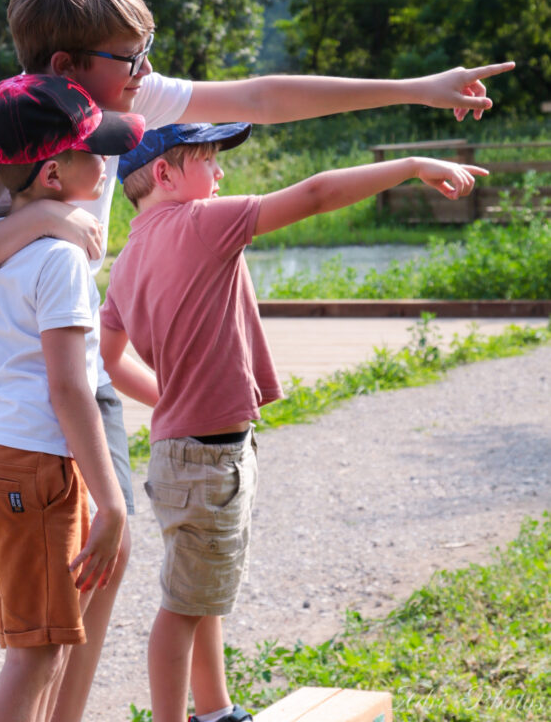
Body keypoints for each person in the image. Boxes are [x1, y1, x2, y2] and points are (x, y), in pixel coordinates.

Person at [0, 0, 514, 719]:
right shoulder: (4, 141)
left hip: (76, 367)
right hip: (9, 395)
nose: (148, 69)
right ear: (70, 65)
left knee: (107, 561)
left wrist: (418, 86)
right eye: (132, 55)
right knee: (51, 612)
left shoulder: (122, 100)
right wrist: (33, 219)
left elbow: (263, 95)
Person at [98, 121, 490, 722]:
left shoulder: (128, 259)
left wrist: (171, 399)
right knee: (182, 607)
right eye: (210, 160)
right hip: (209, 455)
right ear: (166, 174)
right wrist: (410, 163)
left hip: (183, 446)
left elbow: (106, 357)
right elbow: (314, 195)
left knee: (200, 593)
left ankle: (215, 709)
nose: (222, 174)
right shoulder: (204, 222)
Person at [0, 73, 145, 722]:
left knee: (46, 645)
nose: (108, 162)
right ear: (56, 174)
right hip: (32, 462)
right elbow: (68, 386)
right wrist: (112, 501)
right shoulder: (59, 258)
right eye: (96, 152)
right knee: (35, 655)